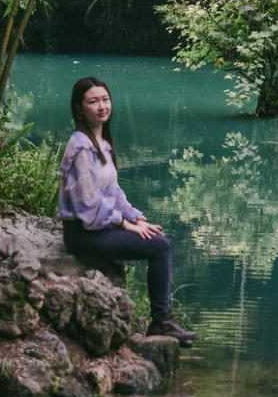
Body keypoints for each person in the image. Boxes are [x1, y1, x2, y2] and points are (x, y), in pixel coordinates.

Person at [58, 76, 196, 347]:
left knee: (158, 238)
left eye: (105, 99)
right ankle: (162, 320)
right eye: (93, 101)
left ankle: (162, 321)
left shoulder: (101, 142)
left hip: (98, 227)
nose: (101, 106)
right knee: (160, 247)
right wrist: (125, 224)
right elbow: (89, 205)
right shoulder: (81, 147)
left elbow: (113, 191)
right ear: (79, 109)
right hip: (83, 235)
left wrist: (135, 215)